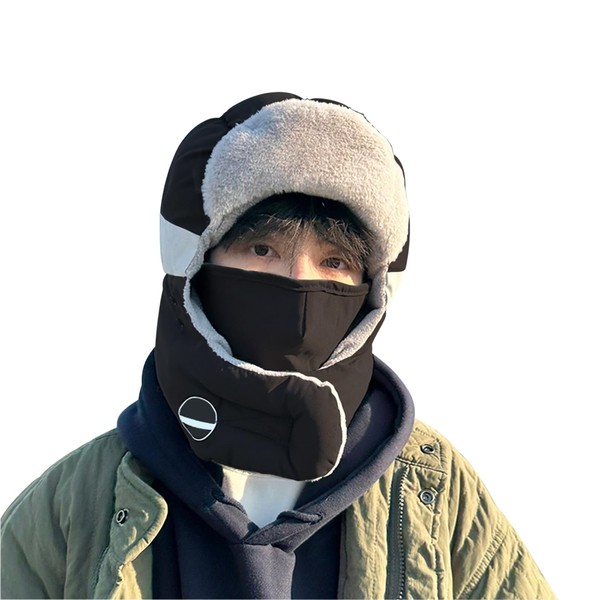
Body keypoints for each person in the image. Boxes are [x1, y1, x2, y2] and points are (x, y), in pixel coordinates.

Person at [0, 92, 554, 599]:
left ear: (372, 292)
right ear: (197, 265)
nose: (298, 284)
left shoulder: (435, 494)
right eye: (262, 249)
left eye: (334, 261)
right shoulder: (77, 503)